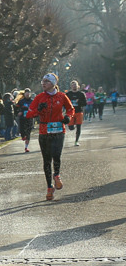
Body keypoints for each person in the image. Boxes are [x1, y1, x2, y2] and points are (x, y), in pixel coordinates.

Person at [25, 73, 74, 201]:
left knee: (56, 155)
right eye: (42, 81)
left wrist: (68, 117)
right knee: (46, 160)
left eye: (46, 81)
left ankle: (56, 175)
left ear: (53, 83)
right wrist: (38, 110)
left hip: (59, 130)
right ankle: (49, 187)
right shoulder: (39, 97)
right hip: (44, 131)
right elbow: (29, 114)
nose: (43, 83)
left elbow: (71, 109)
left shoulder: (62, 96)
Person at [64, 81, 87, 147]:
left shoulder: (81, 94)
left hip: (79, 111)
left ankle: (76, 141)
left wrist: (79, 101)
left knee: (79, 127)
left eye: (75, 85)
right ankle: (74, 125)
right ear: (71, 86)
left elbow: (85, 103)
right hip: (70, 112)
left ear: (78, 86)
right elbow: (64, 103)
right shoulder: (68, 94)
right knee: (71, 127)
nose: (74, 86)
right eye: (73, 85)